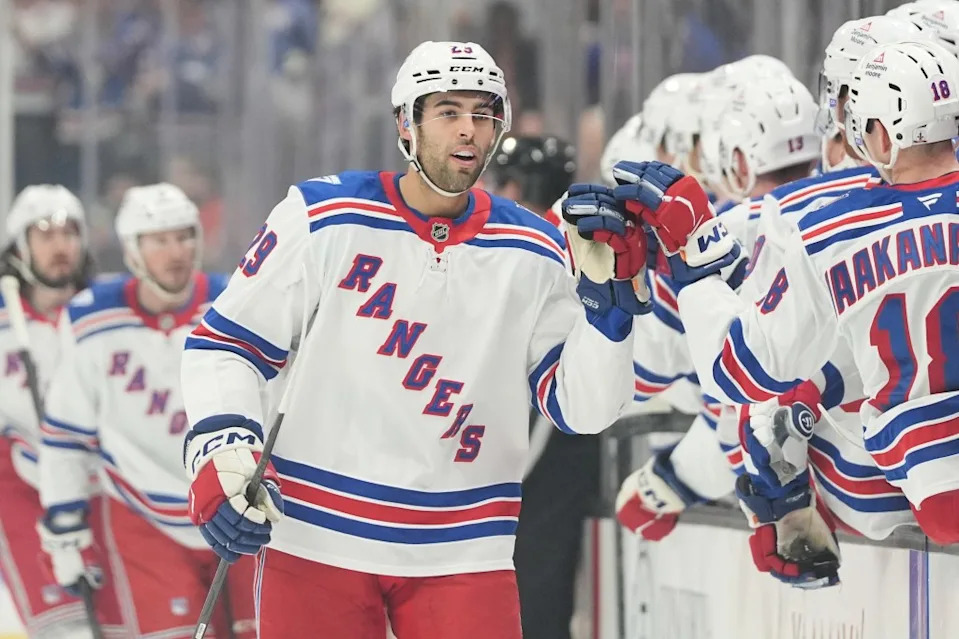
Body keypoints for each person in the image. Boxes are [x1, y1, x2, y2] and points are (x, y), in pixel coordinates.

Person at [180, 41, 648, 639]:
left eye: (483, 114)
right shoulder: (324, 217)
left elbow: (581, 410)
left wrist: (609, 321)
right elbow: (226, 346)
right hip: (318, 537)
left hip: (465, 552)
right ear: (406, 124)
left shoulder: (537, 248)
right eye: (448, 111)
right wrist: (223, 450)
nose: (468, 130)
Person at [614, 39, 959, 567]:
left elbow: (734, 374)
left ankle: (787, 500)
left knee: (773, 409)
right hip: (916, 480)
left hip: (898, 485)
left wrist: (693, 259)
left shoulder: (825, 228)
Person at [36, 183, 257, 637]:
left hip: (237, 511)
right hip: (144, 517)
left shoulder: (237, 305)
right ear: (133, 250)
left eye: (184, 236)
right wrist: (64, 525)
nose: (176, 251)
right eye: (159, 240)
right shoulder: (90, 320)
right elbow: (66, 434)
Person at [0, 185, 122, 637]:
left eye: (70, 232)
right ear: (19, 247)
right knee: (66, 630)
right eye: (45, 234)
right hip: (26, 490)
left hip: (108, 493)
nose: (60, 245)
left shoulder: (105, 316)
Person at [489, 134, 594, 639]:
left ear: (515, 185)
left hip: (543, 455)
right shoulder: (562, 238)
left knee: (535, 594)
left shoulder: (537, 247)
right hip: (546, 452)